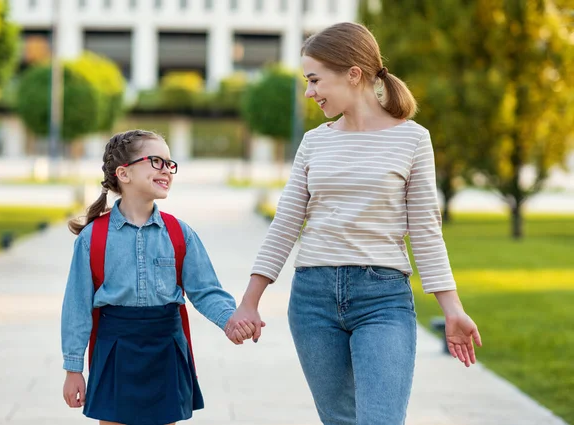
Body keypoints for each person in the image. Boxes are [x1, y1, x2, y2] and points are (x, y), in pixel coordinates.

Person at [226, 22, 482, 425]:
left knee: (380, 420)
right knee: (340, 421)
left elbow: (426, 230)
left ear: (353, 73)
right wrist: (250, 301)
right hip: (313, 299)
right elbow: (285, 224)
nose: (309, 92)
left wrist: (452, 309)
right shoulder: (315, 141)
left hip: (382, 299)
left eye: (314, 79)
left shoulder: (413, 139)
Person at [61, 129, 256, 425]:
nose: (167, 169)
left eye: (169, 163)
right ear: (123, 174)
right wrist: (73, 369)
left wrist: (231, 320)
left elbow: (206, 291)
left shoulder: (180, 233)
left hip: (166, 347)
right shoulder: (92, 239)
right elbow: (76, 308)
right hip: (115, 349)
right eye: (156, 161)